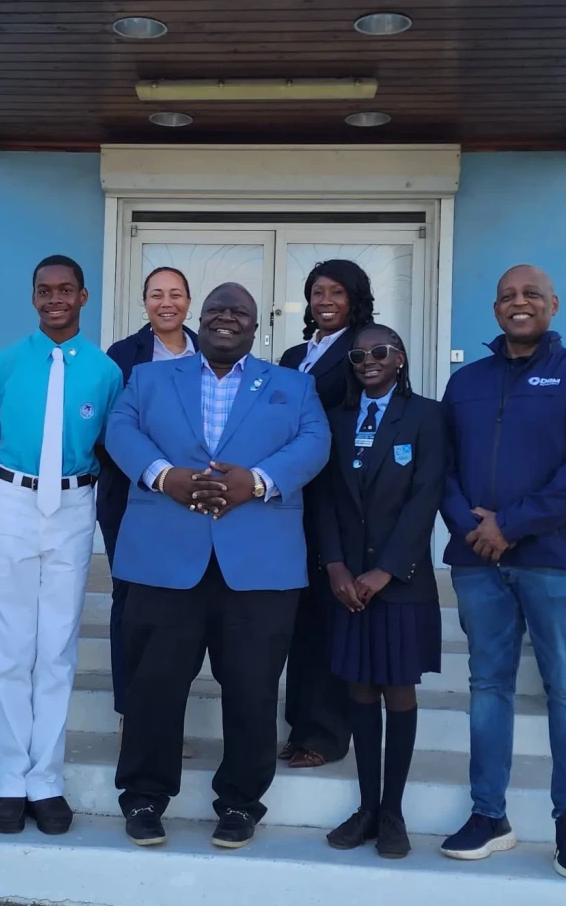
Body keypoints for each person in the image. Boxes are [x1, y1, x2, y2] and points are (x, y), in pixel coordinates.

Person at [105, 282, 331, 850]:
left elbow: (315, 442)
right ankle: (144, 797)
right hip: (163, 558)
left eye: (240, 312)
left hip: (259, 564)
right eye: (217, 310)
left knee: (253, 689)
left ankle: (239, 802)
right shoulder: (149, 378)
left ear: (256, 326)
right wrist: (165, 477)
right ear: (199, 320)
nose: (227, 318)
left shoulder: (293, 385)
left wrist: (256, 482)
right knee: (154, 685)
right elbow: (120, 431)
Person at [439, 265, 566, 881]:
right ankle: (488, 815)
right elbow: (443, 467)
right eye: (507, 296)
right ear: (495, 308)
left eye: (531, 295)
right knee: (487, 687)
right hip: (478, 561)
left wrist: (512, 524)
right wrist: (472, 526)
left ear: (552, 304)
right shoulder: (466, 382)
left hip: (556, 560)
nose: (518, 303)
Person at [0, 255, 123, 838]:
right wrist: (17, 489)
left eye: (65, 290)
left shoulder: (106, 373)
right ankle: (11, 779)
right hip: (12, 500)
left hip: (75, 505)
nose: (54, 299)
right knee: (11, 644)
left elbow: (108, 444)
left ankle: (47, 781)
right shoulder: (2, 366)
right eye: (44, 290)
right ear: (33, 297)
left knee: (57, 646)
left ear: (83, 296)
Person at [313, 324, 445, 859]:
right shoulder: (337, 420)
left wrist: (386, 571)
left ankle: (393, 813)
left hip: (401, 582)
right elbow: (323, 498)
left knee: (398, 690)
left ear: (400, 358)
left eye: (380, 352)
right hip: (348, 583)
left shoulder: (427, 416)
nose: (369, 361)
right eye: (359, 355)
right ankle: (367, 809)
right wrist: (335, 567)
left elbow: (425, 498)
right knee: (361, 691)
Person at [278, 259, 375, 768]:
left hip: (339, 493)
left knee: (330, 616)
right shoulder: (295, 355)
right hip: (291, 496)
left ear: (355, 297)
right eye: (317, 292)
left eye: (337, 292)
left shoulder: (365, 346)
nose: (325, 301)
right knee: (300, 619)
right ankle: (300, 725)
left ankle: (327, 735)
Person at [97, 267, 198, 721]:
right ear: (144, 303)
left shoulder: (208, 351)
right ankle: (131, 713)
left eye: (175, 294)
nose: (166, 302)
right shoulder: (122, 355)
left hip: (191, 500)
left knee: (182, 603)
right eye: (156, 294)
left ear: (189, 303)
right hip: (130, 496)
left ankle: (168, 714)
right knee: (131, 601)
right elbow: (108, 429)